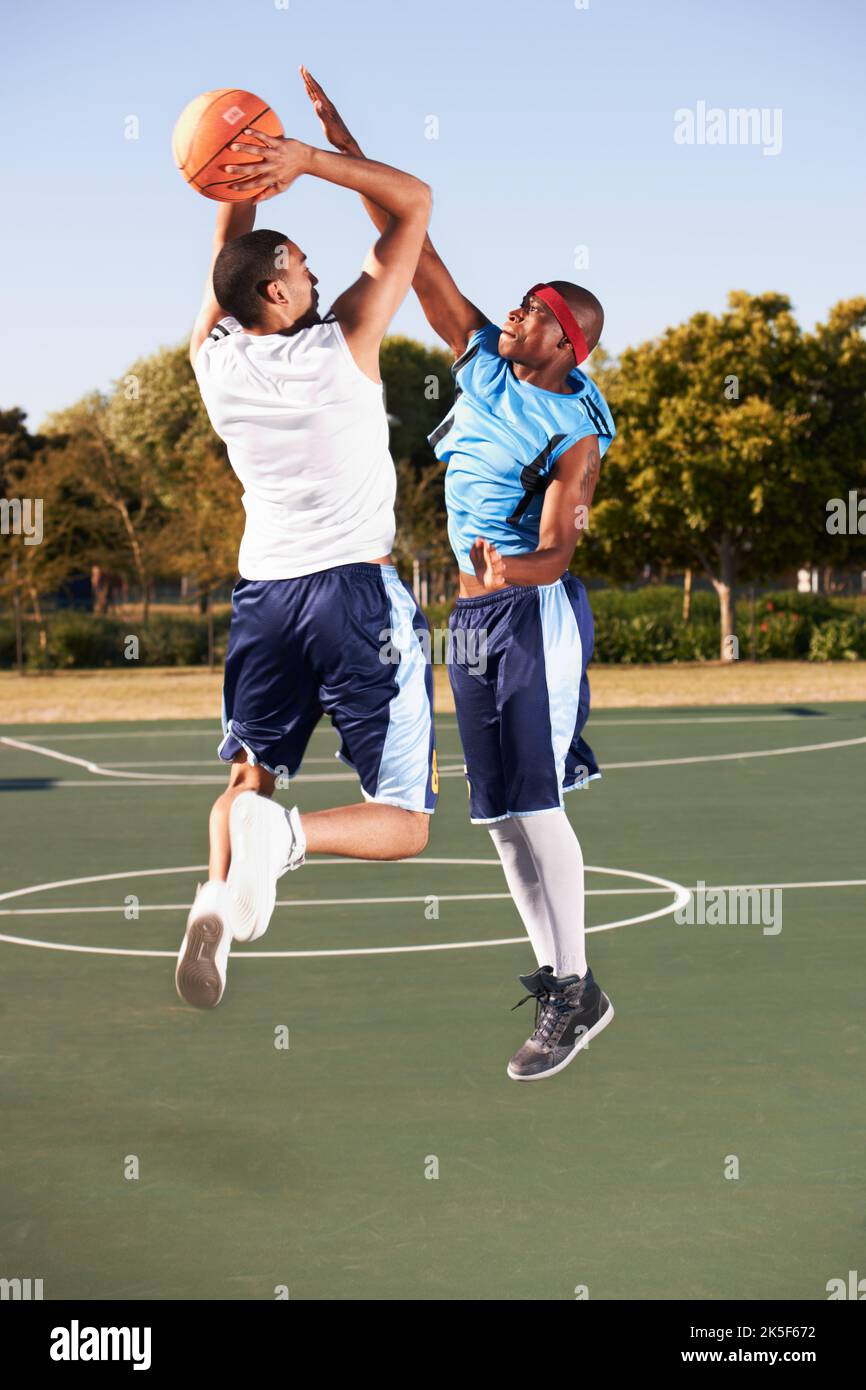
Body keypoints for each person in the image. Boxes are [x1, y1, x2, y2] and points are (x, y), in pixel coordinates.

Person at [296, 66, 616, 1080]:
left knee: (536, 805)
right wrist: (336, 143)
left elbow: (562, 548)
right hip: (472, 619)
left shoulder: (573, 429)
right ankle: (561, 980)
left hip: (532, 613)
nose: (508, 312)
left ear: (562, 339)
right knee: (496, 819)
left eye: (529, 309)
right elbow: (412, 243)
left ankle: (576, 993)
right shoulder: (481, 356)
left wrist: (507, 564)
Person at [175, 117, 438, 1010]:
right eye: (299, 264)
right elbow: (415, 203)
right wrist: (308, 160)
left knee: (244, 778)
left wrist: (240, 169)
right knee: (406, 822)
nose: (316, 270)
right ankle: (285, 842)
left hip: (266, 599)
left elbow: (228, 247)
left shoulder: (213, 362)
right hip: (353, 598)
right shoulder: (346, 341)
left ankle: (215, 900)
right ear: (278, 295)